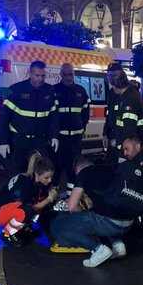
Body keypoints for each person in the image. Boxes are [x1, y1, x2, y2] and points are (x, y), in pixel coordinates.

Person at [51, 155, 143, 267]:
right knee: (106, 209)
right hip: (128, 223)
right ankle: (118, 245)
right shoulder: (107, 169)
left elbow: (72, 207)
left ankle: (98, 249)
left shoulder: (83, 173)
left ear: (78, 169)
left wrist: (80, 212)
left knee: (57, 225)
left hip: (108, 224)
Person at [0, 60, 59, 174]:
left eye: (43, 76)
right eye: (37, 75)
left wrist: (54, 136)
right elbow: (4, 119)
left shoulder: (49, 90)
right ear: (29, 73)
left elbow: (54, 117)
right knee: (16, 173)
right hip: (18, 140)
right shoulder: (16, 90)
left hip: (39, 140)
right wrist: (3, 141)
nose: (40, 79)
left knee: (41, 172)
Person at [0, 152, 59, 247]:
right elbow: (25, 208)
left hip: (8, 208)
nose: (50, 180)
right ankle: (7, 234)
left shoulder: (34, 180)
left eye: (51, 177)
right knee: (28, 211)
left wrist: (50, 194)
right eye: (46, 177)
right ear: (36, 172)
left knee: (40, 202)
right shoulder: (24, 183)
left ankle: (24, 228)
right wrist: (49, 199)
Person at [53, 63, 90, 191]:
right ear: (60, 74)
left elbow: (85, 111)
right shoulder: (54, 90)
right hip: (59, 139)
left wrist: (82, 127)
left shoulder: (80, 91)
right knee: (56, 169)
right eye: (65, 74)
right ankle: (52, 196)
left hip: (75, 139)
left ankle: (71, 197)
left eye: (71, 74)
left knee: (73, 170)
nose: (68, 77)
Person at [109, 71, 143, 161]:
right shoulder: (128, 96)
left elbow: (129, 129)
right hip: (129, 147)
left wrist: (126, 151)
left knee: (126, 169)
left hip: (129, 150)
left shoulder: (129, 100)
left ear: (116, 86)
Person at [103, 62, 124, 164]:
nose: (111, 78)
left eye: (114, 75)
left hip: (123, 137)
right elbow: (109, 115)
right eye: (109, 75)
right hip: (112, 135)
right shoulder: (111, 92)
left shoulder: (128, 93)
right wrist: (105, 134)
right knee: (110, 164)